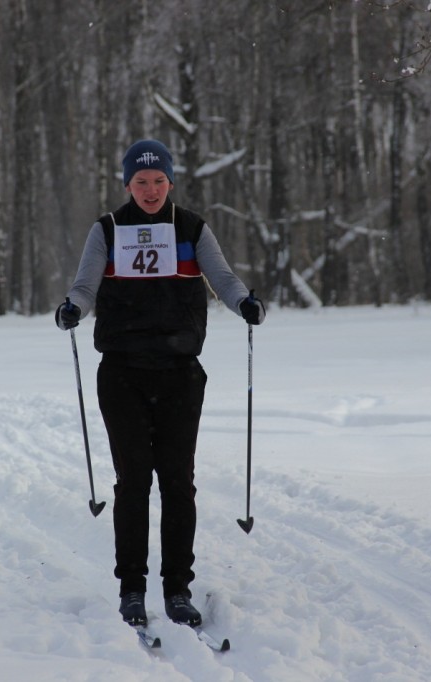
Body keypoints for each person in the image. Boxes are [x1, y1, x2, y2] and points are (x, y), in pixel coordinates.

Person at [55, 139, 266, 628]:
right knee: (133, 483)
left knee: (177, 483)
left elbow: (224, 278)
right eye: (140, 181)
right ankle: (132, 589)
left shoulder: (191, 227)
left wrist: (246, 304)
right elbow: (85, 287)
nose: (150, 190)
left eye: (158, 181)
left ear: (170, 181)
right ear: (127, 183)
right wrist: (71, 309)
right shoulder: (107, 229)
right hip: (123, 373)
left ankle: (177, 590)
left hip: (179, 374)